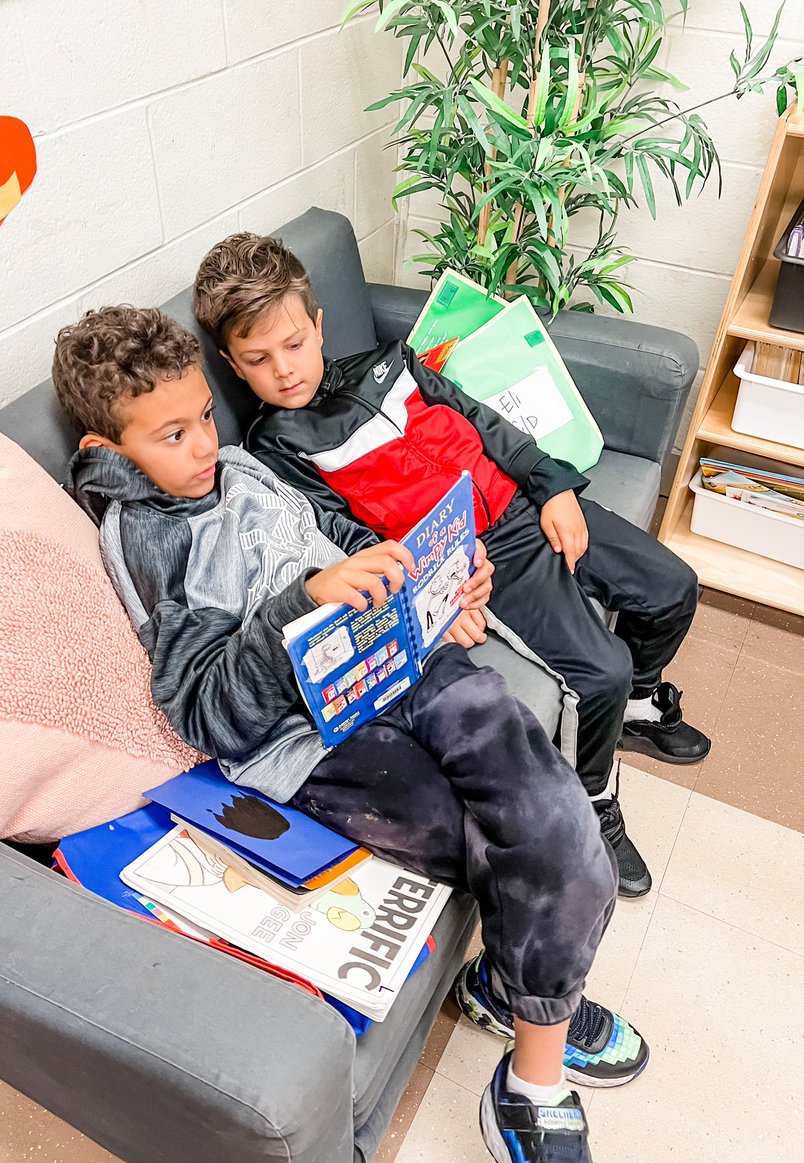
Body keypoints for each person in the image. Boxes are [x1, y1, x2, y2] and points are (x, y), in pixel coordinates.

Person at [54, 305, 650, 1163]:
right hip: (318, 738)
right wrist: (306, 600)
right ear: (111, 445)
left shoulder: (249, 469)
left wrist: (432, 582)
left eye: (204, 419)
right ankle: (536, 1075)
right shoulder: (147, 538)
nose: (205, 445)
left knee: (549, 808)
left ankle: (520, 998)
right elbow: (208, 709)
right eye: (172, 435)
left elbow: (343, 547)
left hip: (406, 661)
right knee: (488, 837)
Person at [192, 233, 712, 900]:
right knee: (600, 670)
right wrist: (433, 592)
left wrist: (551, 485)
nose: (285, 370)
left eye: (294, 344)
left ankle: (641, 704)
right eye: (258, 360)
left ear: (318, 326)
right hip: (482, 559)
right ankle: (593, 798)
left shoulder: (393, 363)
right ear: (235, 367)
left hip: (527, 504)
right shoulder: (278, 447)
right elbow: (342, 538)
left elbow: (481, 419)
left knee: (672, 589)